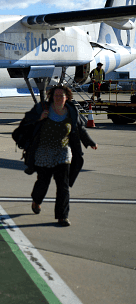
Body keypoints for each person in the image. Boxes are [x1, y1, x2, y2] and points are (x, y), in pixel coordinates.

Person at [18, 84, 98, 226]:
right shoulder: (42, 109)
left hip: (63, 151)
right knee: (43, 182)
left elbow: (80, 128)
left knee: (63, 185)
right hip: (44, 151)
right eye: (56, 95)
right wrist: (39, 119)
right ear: (51, 97)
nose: (59, 98)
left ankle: (62, 216)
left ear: (67, 97)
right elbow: (26, 124)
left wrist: (90, 142)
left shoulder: (71, 112)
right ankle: (36, 200)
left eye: (61, 95)